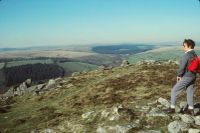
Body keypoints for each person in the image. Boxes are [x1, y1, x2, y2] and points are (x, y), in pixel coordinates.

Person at [163, 39, 197, 115]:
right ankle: (191, 109)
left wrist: (179, 75)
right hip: (193, 76)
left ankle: (172, 108)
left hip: (187, 76)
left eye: (184, 45)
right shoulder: (194, 54)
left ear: (189, 46)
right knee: (190, 91)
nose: (183, 47)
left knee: (174, 90)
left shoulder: (186, 55)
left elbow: (182, 67)